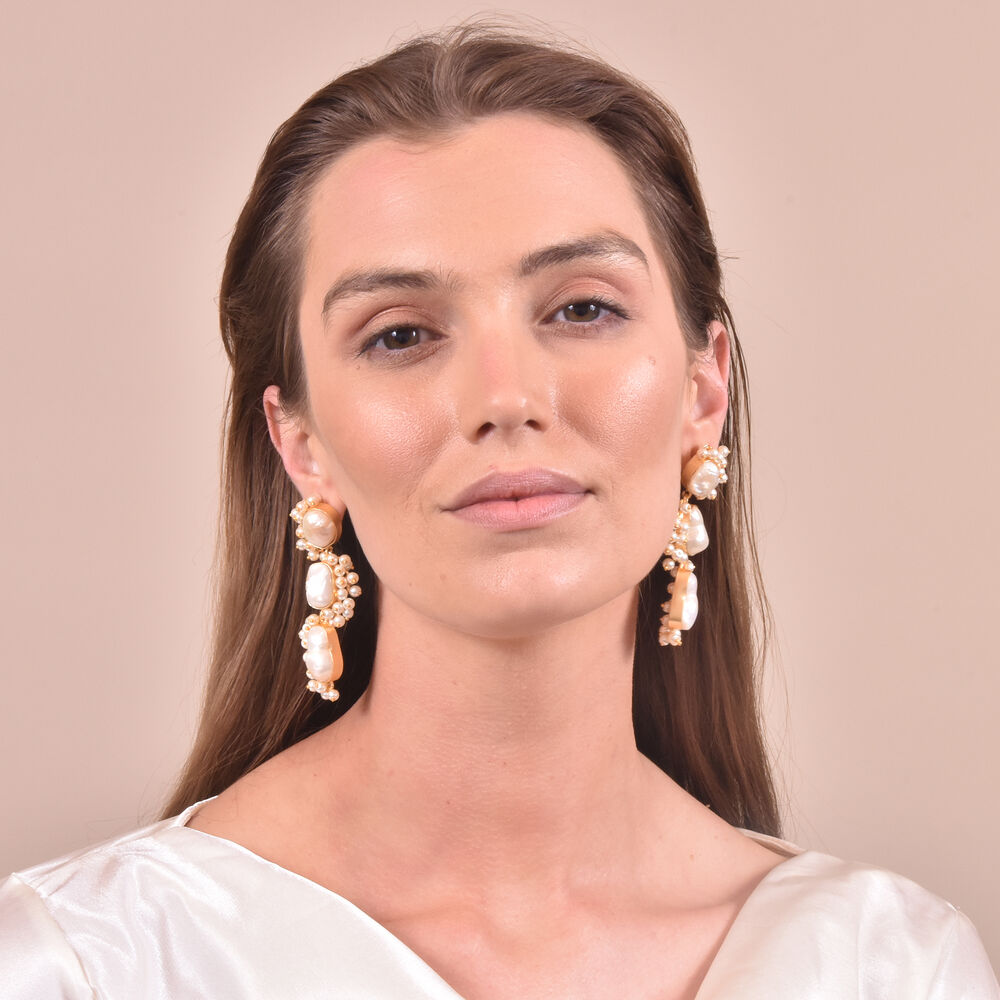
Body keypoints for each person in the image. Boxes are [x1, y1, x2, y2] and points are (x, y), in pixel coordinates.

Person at [1, 21, 996, 999]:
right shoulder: (84, 964)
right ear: (299, 442)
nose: (505, 396)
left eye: (582, 308)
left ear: (705, 387)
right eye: (399, 334)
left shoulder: (891, 969)